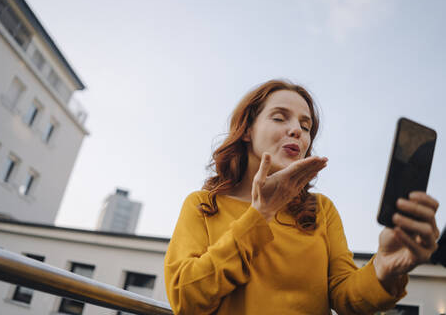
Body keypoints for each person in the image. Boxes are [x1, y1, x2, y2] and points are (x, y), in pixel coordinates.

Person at [164, 79, 440, 314]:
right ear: (247, 130)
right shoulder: (203, 205)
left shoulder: (321, 210)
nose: (297, 129)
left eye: (305, 126)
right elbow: (185, 298)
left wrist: (385, 267)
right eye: (279, 117)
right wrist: (260, 216)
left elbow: (346, 298)